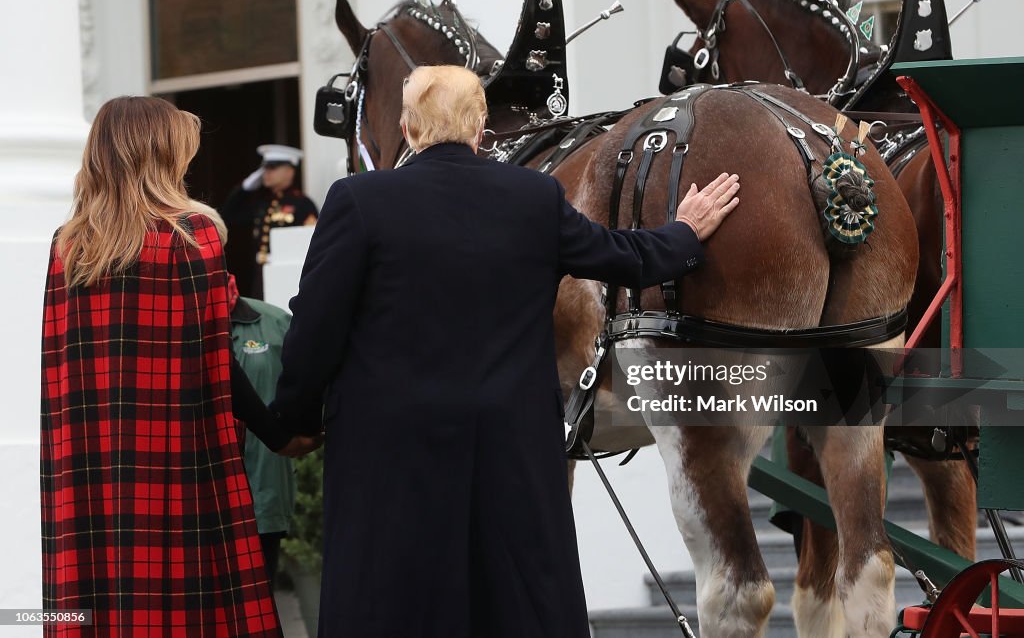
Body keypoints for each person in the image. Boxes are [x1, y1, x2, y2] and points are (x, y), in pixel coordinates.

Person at [270, 66, 740, 637]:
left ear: (406, 127)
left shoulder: (358, 201)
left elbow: (315, 329)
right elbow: (625, 258)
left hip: (389, 465)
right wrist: (685, 232)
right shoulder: (532, 197)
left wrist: (291, 421)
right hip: (512, 455)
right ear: (481, 128)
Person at [40, 96, 314, 637]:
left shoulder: (67, 246)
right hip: (176, 462)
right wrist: (277, 434)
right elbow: (218, 361)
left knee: (95, 602)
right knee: (187, 606)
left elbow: (62, 373)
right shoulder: (193, 237)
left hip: (90, 464)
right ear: (158, 154)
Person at [192, 203, 298, 586]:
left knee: (259, 600)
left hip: (262, 493)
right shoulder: (180, 321)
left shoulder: (273, 322)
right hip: (199, 496)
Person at [220, 144, 318, 299]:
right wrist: (244, 188)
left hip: (289, 276)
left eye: (272, 167)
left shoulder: (302, 204)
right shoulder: (262, 203)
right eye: (264, 168)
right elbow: (228, 216)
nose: (266, 172)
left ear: (290, 171)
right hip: (260, 274)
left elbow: (311, 244)